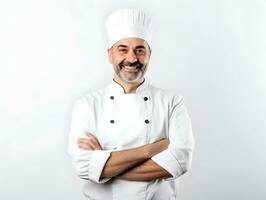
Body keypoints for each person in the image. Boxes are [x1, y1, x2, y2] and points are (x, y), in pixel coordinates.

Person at [68, 8, 194, 200]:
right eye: (123, 49)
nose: (132, 58)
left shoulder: (172, 102)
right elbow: (82, 165)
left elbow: (181, 160)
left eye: (140, 50)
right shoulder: (86, 105)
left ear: (149, 54)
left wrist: (102, 165)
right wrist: (151, 150)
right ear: (110, 55)